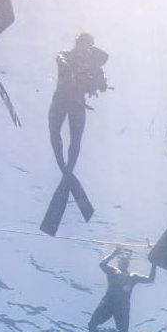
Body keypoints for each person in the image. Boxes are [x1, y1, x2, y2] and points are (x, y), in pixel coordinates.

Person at [42, 33, 109, 235]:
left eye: (88, 44)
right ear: (77, 42)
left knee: (75, 142)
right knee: (55, 135)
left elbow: (104, 64)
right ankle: (67, 172)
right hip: (61, 99)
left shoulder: (92, 64)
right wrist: (71, 69)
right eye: (83, 43)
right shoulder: (66, 55)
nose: (84, 47)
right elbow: (60, 60)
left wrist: (98, 78)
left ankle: (67, 172)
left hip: (76, 103)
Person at [87, 247, 156, 332]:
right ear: (119, 262)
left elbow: (150, 279)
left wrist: (154, 262)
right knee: (92, 324)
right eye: (121, 259)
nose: (123, 261)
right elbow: (102, 264)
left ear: (128, 263)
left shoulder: (133, 276)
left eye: (125, 259)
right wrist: (114, 253)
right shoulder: (112, 271)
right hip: (107, 304)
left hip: (122, 308)